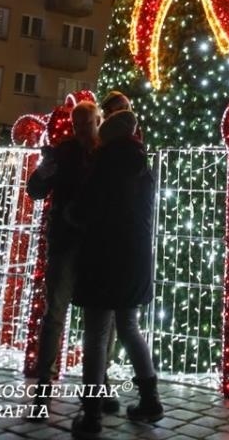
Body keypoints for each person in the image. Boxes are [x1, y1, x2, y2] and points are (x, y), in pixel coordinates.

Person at [69, 109, 161, 438]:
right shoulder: (143, 167)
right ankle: (150, 398)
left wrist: (72, 214)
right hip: (135, 257)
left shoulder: (103, 166)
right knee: (129, 326)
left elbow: (84, 210)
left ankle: (91, 412)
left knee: (95, 334)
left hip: (101, 256)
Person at [27, 100, 101, 397]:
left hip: (94, 243)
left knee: (96, 316)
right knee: (56, 311)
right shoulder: (65, 151)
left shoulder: (104, 153)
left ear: (98, 121)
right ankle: (45, 382)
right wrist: (45, 169)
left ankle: (96, 383)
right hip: (67, 242)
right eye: (78, 125)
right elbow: (35, 190)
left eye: (88, 124)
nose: (82, 130)